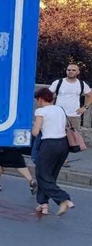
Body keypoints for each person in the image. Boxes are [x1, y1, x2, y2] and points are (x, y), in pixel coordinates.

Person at [32, 87, 74, 216]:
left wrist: (35, 124)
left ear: (40, 99)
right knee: (51, 175)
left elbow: (35, 132)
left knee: (41, 174)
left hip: (49, 144)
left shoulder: (41, 111)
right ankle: (43, 203)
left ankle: (64, 199)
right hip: (63, 144)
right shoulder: (60, 109)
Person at [50, 64, 91, 133]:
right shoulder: (58, 82)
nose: (71, 71)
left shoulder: (81, 84)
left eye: (73, 70)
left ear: (78, 72)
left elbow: (90, 96)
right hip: (59, 115)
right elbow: (47, 95)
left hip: (74, 116)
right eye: (69, 70)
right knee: (57, 136)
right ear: (66, 71)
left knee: (74, 139)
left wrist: (85, 107)